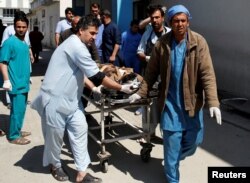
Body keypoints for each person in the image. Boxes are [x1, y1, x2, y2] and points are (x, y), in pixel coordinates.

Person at [30, 15, 136, 182]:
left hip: (72, 101)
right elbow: (97, 75)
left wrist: (93, 88)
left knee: (80, 131)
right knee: (55, 137)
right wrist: (121, 87)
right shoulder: (75, 46)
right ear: (81, 30)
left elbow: (80, 72)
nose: (95, 38)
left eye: (96, 34)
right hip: (55, 100)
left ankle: (81, 173)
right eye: (92, 33)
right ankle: (55, 165)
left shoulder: (77, 45)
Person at [129, 5, 222, 183]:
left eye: (183, 21)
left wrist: (213, 102)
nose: (180, 24)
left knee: (194, 143)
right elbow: (151, 72)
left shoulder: (198, 42)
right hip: (170, 105)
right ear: (170, 22)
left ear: (188, 22)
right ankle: (172, 174)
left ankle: (172, 160)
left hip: (192, 104)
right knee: (171, 147)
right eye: (176, 21)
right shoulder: (162, 44)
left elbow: (207, 74)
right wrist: (141, 93)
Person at [136, 4, 170, 132]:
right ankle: (148, 134)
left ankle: (165, 133)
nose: (154, 20)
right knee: (148, 105)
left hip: (167, 75)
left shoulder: (170, 33)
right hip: (149, 75)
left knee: (166, 105)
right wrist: (146, 58)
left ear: (162, 18)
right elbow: (139, 52)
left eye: (157, 17)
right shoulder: (147, 33)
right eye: (152, 18)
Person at [0, 11, 31, 145]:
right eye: (18, 27)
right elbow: (2, 62)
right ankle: (13, 136)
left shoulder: (23, 42)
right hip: (15, 83)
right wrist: (6, 80)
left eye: (23, 27)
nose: (21, 29)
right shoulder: (9, 42)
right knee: (17, 111)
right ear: (14, 27)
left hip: (24, 82)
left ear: (27, 27)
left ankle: (17, 129)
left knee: (20, 110)